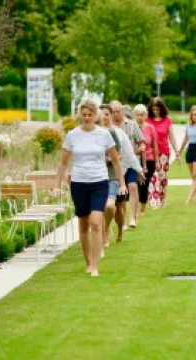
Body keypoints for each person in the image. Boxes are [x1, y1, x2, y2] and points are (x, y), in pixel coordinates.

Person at [53, 99, 126, 277]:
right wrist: (56, 185)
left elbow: (116, 161)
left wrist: (122, 183)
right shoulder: (72, 135)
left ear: (96, 116)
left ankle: (95, 266)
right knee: (84, 225)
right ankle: (88, 261)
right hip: (78, 183)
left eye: (90, 115)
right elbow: (63, 163)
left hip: (100, 182)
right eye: (84, 115)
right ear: (80, 115)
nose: (86, 118)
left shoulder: (104, 135)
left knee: (95, 222)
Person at [110, 101, 145, 236]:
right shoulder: (108, 128)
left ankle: (132, 218)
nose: (115, 115)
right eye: (113, 112)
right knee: (120, 196)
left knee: (133, 187)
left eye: (118, 112)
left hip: (131, 162)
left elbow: (141, 142)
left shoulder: (131, 125)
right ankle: (122, 221)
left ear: (122, 112)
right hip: (116, 165)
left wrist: (141, 153)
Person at [145, 97, 180, 209]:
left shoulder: (167, 120)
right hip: (150, 153)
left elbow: (172, 138)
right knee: (152, 177)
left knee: (162, 178)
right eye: (154, 109)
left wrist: (177, 152)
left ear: (162, 109)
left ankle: (162, 199)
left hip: (163, 153)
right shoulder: (147, 120)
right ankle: (153, 201)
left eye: (157, 109)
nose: (155, 111)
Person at [99, 104, 122, 249]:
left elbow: (119, 154)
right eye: (101, 114)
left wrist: (109, 159)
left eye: (107, 114)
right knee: (98, 210)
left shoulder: (112, 133)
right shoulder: (92, 132)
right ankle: (102, 236)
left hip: (112, 175)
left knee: (109, 207)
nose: (104, 116)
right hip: (97, 176)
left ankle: (106, 227)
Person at [134, 104, 160, 216]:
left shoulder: (150, 128)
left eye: (142, 115)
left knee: (144, 184)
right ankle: (134, 208)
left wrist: (157, 161)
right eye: (137, 115)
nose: (139, 117)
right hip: (135, 159)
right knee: (135, 184)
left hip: (149, 160)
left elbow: (154, 146)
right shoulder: (132, 127)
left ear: (145, 115)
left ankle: (142, 210)